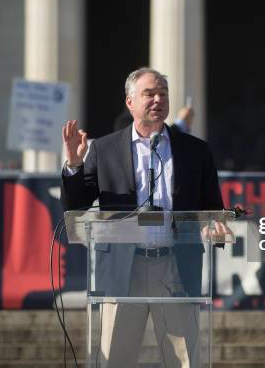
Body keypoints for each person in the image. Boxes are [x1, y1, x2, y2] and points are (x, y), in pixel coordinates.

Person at [61, 67, 229, 368]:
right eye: (149, 93)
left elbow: (211, 208)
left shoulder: (195, 150)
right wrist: (74, 163)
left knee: (184, 361)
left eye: (163, 93)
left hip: (176, 267)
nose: (157, 99)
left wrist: (214, 228)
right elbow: (77, 204)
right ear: (130, 102)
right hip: (123, 269)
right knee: (115, 360)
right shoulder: (104, 149)